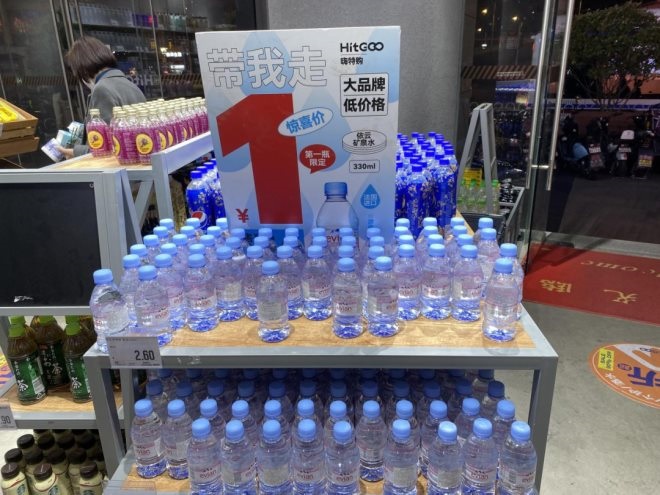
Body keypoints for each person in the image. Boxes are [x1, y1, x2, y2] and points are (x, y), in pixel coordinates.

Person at [58, 36, 146, 158]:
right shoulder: (130, 85)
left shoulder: (102, 89)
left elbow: (108, 148)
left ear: (83, 70)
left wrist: (74, 152)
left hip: (118, 167)